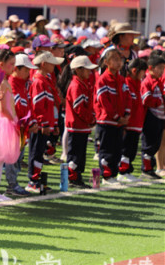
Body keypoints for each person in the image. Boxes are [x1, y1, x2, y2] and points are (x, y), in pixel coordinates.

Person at [28, 51, 64, 193]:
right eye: (52, 63)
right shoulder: (38, 81)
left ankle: (37, 179)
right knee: (35, 152)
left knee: (39, 153)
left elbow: (51, 106)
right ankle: (32, 180)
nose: (55, 65)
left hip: (46, 124)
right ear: (43, 64)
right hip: (39, 125)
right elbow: (38, 106)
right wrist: (43, 123)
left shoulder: (46, 80)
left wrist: (54, 123)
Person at [94, 49, 131, 184]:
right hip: (107, 120)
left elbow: (128, 98)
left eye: (119, 59)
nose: (118, 62)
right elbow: (104, 101)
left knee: (117, 149)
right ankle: (106, 175)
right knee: (106, 149)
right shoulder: (102, 80)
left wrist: (127, 113)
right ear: (106, 62)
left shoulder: (121, 79)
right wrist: (116, 116)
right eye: (114, 59)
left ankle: (113, 175)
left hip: (119, 121)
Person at [0, 48, 19, 201]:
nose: (13, 67)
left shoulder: (2, 80)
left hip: (3, 120)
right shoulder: (0, 81)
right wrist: (12, 119)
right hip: (2, 121)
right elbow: (2, 107)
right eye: (11, 64)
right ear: (1, 64)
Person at [5, 54, 37, 197]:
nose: (28, 73)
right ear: (16, 69)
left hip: (23, 127)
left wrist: (30, 123)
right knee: (12, 157)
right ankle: (11, 185)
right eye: (26, 69)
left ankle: (14, 183)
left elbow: (26, 106)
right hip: (14, 127)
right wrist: (26, 125)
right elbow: (15, 109)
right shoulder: (12, 84)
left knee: (18, 156)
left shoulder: (22, 84)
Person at [65, 56, 97, 188]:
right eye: (87, 69)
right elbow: (79, 108)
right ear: (78, 70)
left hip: (82, 126)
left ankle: (77, 176)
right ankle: (73, 178)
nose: (90, 72)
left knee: (80, 153)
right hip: (76, 125)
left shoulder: (83, 84)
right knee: (75, 153)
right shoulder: (76, 85)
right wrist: (90, 119)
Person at [120, 58, 148, 182]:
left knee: (132, 150)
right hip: (129, 124)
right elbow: (126, 104)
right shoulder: (127, 84)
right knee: (126, 149)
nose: (144, 75)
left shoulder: (137, 84)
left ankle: (128, 170)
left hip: (137, 124)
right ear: (135, 70)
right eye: (143, 72)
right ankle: (122, 172)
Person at [140, 53, 165, 179]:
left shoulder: (158, 81)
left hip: (160, 117)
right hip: (151, 116)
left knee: (156, 143)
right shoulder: (147, 81)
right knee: (149, 143)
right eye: (159, 68)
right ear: (151, 68)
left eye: (163, 68)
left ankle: (150, 167)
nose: (161, 71)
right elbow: (146, 99)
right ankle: (146, 168)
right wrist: (159, 101)